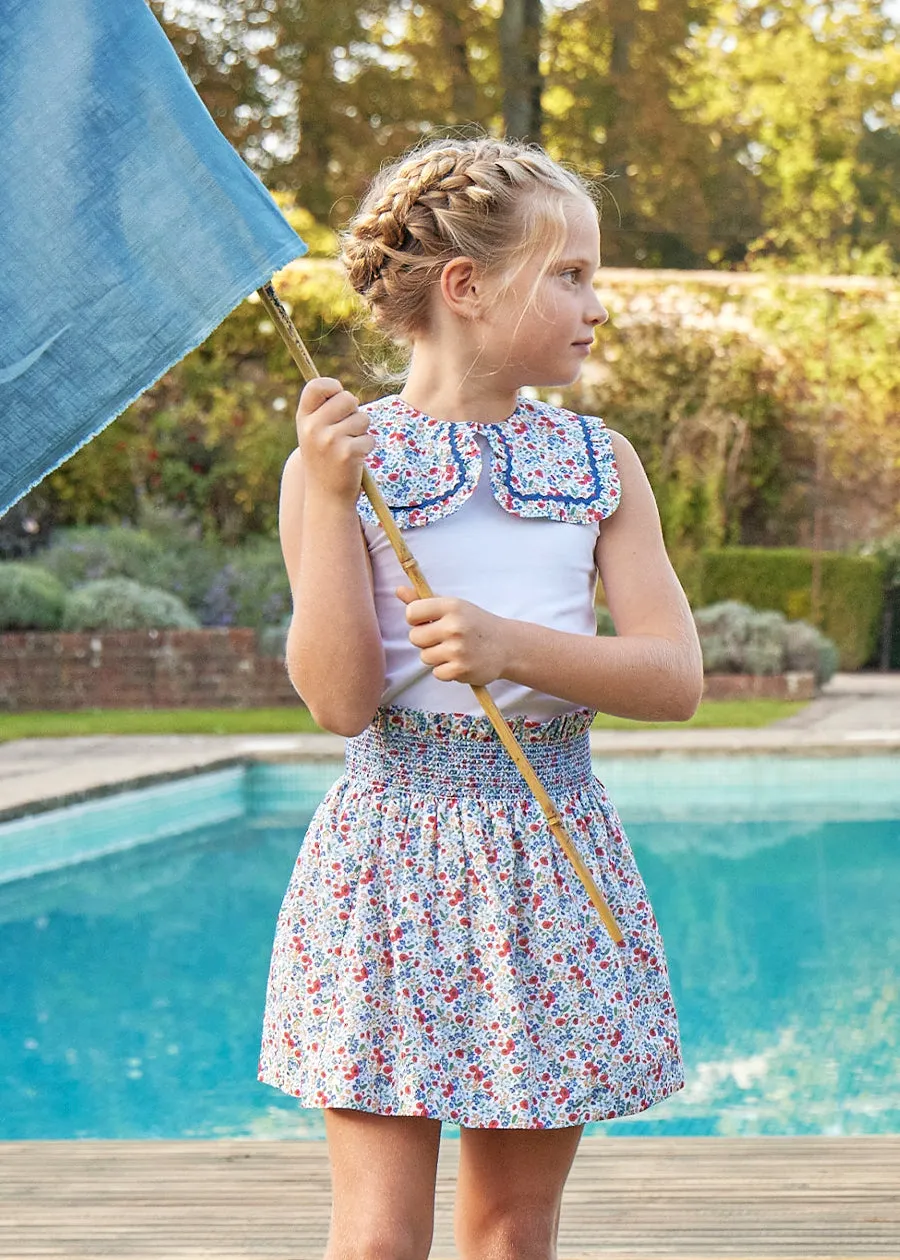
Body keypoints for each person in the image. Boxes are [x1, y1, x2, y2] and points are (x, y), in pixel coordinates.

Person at [258, 136, 704, 1260]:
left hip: (550, 857)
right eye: (570, 274)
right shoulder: (342, 461)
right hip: (386, 860)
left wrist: (514, 646)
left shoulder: (602, 466)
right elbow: (340, 704)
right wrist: (324, 494)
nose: (596, 302)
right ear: (467, 287)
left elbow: (676, 679)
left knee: (511, 1232)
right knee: (377, 1237)